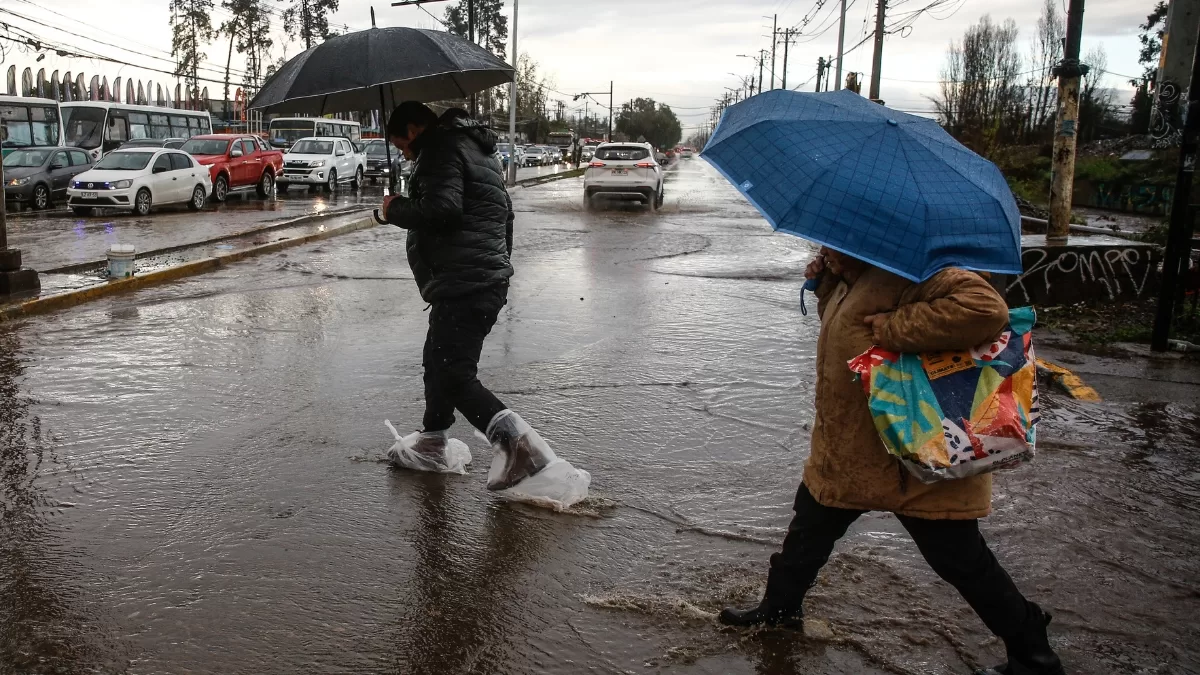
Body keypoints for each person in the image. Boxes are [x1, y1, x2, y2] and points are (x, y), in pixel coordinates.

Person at [719, 247, 1064, 675]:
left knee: (959, 560)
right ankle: (779, 612)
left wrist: (896, 327)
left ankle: (1032, 650)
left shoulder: (919, 268)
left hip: (916, 450)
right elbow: (849, 332)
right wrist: (828, 284)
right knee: (807, 533)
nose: (825, 251)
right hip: (852, 447)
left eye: (832, 246)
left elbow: (984, 309)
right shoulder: (857, 275)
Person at [381, 101, 574, 494]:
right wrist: (496, 265)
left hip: (466, 280)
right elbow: (504, 214)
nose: (405, 153)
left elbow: (444, 210)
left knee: (454, 374)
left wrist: (394, 208)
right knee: (437, 361)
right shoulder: (474, 147)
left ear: (415, 130)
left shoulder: (440, 149)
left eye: (403, 146)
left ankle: (520, 449)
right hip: (477, 277)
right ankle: (433, 442)